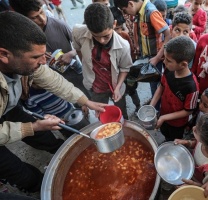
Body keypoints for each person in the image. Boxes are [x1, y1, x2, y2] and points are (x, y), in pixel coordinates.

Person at [0, 11, 106, 193]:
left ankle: (62, 156)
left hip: (9, 106)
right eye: (35, 57)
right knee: (18, 171)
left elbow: (52, 80)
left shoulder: (24, 63)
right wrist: (32, 127)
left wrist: (85, 101)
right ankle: (40, 187)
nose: (44, 61)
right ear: (4, 54)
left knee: (41, 135)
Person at [72, 3, 133, 120]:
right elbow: (78, 49)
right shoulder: (78, 32)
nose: (102, 41)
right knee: (101, 113)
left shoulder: (124, 45)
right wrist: (87, 66)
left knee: (121, 110)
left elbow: (125, 68)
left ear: (114, 24)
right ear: (89, 29)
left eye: (106, 36)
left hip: (115, 85)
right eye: (96, 36)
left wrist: (117, 87)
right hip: (95, 86)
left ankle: (125, 122)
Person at [114, 0, 171, 98]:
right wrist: (137, 45)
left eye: (125, 10)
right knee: (150, 81)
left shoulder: (151, 13)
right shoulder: (139, 12)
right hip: (148, 57)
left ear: (131, 4)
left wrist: (157, 58)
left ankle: (156, 108)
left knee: (155, 84)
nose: (125, 14)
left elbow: (168, 35)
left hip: (155, 58)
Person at [150, 36, 199, 141]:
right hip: (164, 114)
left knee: (173, 139)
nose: (164, 63)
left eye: (168, 60)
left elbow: (188, 111)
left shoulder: (191, 86)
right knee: (165, 132)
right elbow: (161, 87)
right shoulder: (169, 70)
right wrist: (151, 105)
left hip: (177, 123)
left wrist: (164, 118)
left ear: (183, 64)